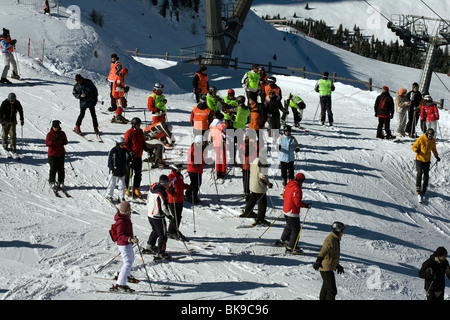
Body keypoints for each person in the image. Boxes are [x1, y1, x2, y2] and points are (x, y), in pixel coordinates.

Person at [276, 173, 312, 254]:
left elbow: (284, 195)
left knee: (289, 226)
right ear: (301, 181)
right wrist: (306, 205)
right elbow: (297, 203)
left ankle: (284, 240)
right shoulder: (298, 189)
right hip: (293, 212)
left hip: (286, 210)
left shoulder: (289, 184)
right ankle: (292, 247)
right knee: (295, 230)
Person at [110, 201, 138, 293]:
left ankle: (126, 275)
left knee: (131, 259)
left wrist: (132, 238)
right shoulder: (121, 221)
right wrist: (130, 239)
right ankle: (120, 284)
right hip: (123, 244)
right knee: (127, 262)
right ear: (126, 210)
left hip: (127, 243)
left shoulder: (125, 217)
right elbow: (120, 236)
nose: (130, 210)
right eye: (129, 209)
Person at [313, 221, 346, 300]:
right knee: (332, 290)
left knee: (326, 288)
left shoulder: (335, 239)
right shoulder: (330, 240)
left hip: (329, 266)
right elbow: (324, 251)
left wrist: (337, 265)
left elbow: (332, 255)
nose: (343, 233)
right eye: (342, 231)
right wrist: (318, 260)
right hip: (325, 268)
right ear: (338, 230)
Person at [144, 175, 173, 261]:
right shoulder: (162, 193)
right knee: (163, 235)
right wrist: (169, 215)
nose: (168, 185)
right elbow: (164, 206)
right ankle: (161, 253)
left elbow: (148, 199)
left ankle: (150, 246)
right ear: (164, 184)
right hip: (158, 216)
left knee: (156, 231)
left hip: (150, 215)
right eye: (167, 184)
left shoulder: (153, 187)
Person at [241, 150, 273, 226]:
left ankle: (247, 212)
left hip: (252, 183)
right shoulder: (263, 162)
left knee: (253, 198)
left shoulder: (254, 159)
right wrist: (268, 183)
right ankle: (260, 219)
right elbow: (263, 176)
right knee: (262, 203)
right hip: (259, 185)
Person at [412, 128, 440, 201]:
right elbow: (414, 146)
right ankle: (418, 187)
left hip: (427, 160)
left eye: (432, 136)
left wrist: (436, 156)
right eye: (430, 136)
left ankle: (424, 187)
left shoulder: (433, 141)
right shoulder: (421, 139)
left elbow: (433, 149)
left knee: (426, 174)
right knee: (420, 173)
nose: (430, 137)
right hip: (419, 159)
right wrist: (416, 150)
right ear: (427, 134)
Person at [124, 117, 148, 199]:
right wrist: (130, 152)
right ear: (134, 124)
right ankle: (127, 188)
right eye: (138, 125)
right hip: (131, 157)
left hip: (138, 156)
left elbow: (142, 142)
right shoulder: (129, 133)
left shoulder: (140, 131)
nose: (139, 126)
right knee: (129, 173)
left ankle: (135, 188)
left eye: (139, 124)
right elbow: (125, 145)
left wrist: (146, 148)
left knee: (138, 174)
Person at [167, 163, 190, 241]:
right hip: (173, 200)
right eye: (178, 169)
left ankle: (175, 230)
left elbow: (181, 186)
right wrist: (169, 190)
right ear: (174, 169)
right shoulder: (171, 177)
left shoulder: (180, 176)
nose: (180, 171)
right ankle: (170, 232)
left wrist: (189, 187)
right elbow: (166, 187)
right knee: (175, 217)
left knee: (179, 217)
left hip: (180, 199)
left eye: (180, 169)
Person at [45, 120, 68, 191]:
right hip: (52, 154)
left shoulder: (62, 133)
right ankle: (52, 181)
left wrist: (63, 142)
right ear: (52, 127)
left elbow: (66, 141)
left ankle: (61, 181)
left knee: (61, 169)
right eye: (54, 127)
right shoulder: (49, 134)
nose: (56, 128)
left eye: (57, 127)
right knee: (53, 168)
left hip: (61, 153)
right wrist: (53, 140)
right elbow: (47, 143)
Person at [106, 137, 128, 203]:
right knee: (112, 184)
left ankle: (121, 197)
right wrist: (111, 168)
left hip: (122, 170)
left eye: (124, 144)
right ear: (118, 144)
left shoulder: (125, 151)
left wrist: (131, 158)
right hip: (114, 170)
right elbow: (109, 161)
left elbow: (128, 158)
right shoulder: (113, 151)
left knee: (122, 185)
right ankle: (109, 195)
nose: (123, 145)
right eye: (121, 144)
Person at [186, 135, 206, 204]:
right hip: (192, 169)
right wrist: (193, 163)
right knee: (195, 183)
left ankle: (192, 195)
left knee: (198, 183)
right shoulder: (193, 148)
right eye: (202, 142)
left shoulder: (201, 148)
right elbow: (189, 158)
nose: (203, 144)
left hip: (199, 169)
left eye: (203, 143)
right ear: (198, 142)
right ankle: (191, 195)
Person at [210, 112, 228, 180]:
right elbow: (224, 134)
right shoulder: (221, 125)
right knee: (223, 157)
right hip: (221, 142)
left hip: (215, 142)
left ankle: (218, 171)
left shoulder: (212, 124)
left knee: (217, 157)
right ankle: (223, 171)